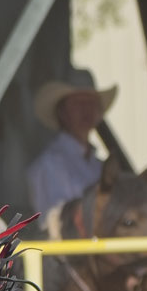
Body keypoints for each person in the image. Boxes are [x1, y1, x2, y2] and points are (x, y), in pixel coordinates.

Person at [25, 68, 118, 217]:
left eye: (91, 103)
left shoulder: (99, 166)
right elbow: (54, 225)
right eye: (78, 103)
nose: (86, 109)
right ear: (62, 112)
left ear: (99, 112)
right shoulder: (49, 164)